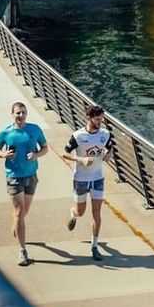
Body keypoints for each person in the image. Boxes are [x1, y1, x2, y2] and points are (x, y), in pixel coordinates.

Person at [0, 102, 48, 266]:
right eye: (17, 113)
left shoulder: (34, 129)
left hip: (31, 175)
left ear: (26, 114)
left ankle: (16, 224)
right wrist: (4, 154)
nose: (20, 115)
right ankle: (22, 251)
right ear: (12, 114)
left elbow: (45, 148)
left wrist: (36, 155)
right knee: (19, 212)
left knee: (24, 211)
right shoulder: (6, 132)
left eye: (23, 112)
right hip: (14, 177)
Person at [62, 105, 112, 260]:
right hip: (81, 180)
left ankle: (94, 246)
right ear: (89, 118)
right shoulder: (78, 136)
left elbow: (109, 148)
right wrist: (81, 159)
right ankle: (73, 214)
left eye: (102, 119)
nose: (100, 122)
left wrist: (108, 155)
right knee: (81, 212)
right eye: (97, 119)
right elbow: (65, 153)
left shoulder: (105, 134)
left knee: (96, 212)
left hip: (97, 178)